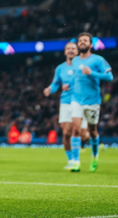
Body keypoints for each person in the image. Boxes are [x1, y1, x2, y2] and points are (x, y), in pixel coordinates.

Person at [69, 33, 113, 173]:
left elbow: (110, 76)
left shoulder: (98, 60)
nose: (82, 42)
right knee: (75, 129)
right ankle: (76, 162)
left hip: (92, 101)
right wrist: (68, 85)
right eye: (80, 40)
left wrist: (92, 73)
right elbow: (76, 78)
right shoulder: (74, 61)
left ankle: (95, 156)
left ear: (90, 44)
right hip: (76, 99)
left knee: (92, 131)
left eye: (85, 41)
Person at [44, 41, 88, 169]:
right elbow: (55, 83)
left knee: (82, 134)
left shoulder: (82, 65)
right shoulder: (60, 68)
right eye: (68, 48)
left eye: (73, 48)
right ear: (64, 52)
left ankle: (92, 137)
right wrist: (49, 89)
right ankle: (72, 161)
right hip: (65, 102)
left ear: (78, 51)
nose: (70, 50)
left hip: (81, 102)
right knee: (67, 132)